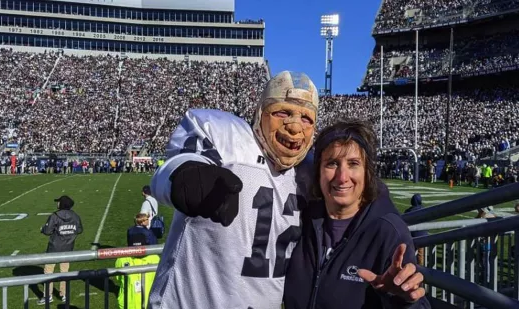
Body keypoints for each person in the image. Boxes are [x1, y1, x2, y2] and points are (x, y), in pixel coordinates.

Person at [149, 71, 318, 308]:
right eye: (283, 112)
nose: (294, 127)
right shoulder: (228, 139)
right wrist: (185, 176)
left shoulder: (311, 173)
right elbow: (171, 170)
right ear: (261, 112)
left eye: (307, 118)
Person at [283, 119, 429, 309]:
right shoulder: (304, 219)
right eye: (332, 163)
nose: (342, 177)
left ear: (367, 172)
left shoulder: (387, 230)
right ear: (317, 171)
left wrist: (402, 300)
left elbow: (416, 302)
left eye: (353, 163)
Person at [38, 196, 83, 305]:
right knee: (65, 272)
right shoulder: (75, 216)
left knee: (48, 271)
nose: (57, 203)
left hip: (54, 248)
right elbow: (80, 230)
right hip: (68, 248)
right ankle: (64, 295)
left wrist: (42, 229)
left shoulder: (55, 216)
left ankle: (48, 296)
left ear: (62, 204)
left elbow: (48, 231)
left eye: (58, 202)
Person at [115, 224, 160, 309]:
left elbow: (119, 278)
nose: (138, 251)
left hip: (146, 303)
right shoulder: (122, 259)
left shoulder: (155, 258)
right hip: (129, 304)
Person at [405, 194, 428, 266]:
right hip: (423, 235)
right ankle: (420, 268)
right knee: (421, 254)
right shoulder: (425, 210)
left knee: (410, 253)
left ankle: (410, 266)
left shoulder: (408, 211)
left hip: (411, 236)